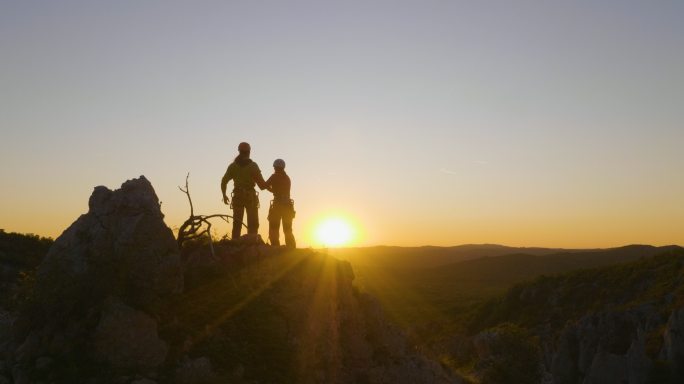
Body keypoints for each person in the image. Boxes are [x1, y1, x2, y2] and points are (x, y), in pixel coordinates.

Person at [221, 142, 268, 240]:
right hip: (250, 197)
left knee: (237, 223)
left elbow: (223, 181)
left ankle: (235, 245)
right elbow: (262, 186)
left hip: (237, 196)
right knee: (253, 224)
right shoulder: (253, 166)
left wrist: (224, 195)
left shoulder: (233, 166)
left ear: (239, 151)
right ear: (249, 152)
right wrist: (272, 186)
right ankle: (252, 246)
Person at [265, 158, 296, 248]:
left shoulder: (274, 176)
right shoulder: (287, 178)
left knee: (274, 229)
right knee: (287, 230)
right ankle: (291, 250)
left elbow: (264, 186)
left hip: (277, 206)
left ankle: (275, 249)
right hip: (288, 206)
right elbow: (280, 190)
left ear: (275, 167)